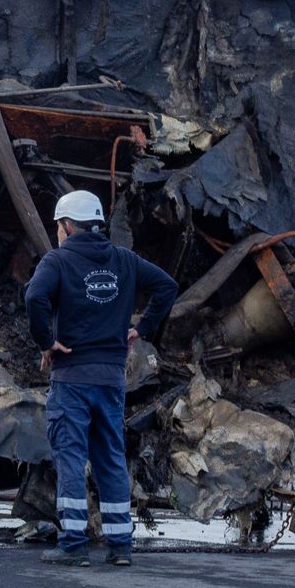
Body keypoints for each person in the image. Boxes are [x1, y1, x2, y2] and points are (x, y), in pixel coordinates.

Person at [23, 190, 177, 567]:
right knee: (109, 457)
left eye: (58, 226)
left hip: (72, 378)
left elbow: (34, 298)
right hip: (111, 380)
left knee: (72, 457)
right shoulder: (124, 260)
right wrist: (143, 328)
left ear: (67, 225)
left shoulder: (57, 261)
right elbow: (166, 287)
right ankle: (120, 545)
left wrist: (47, 341)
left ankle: (73, 542)